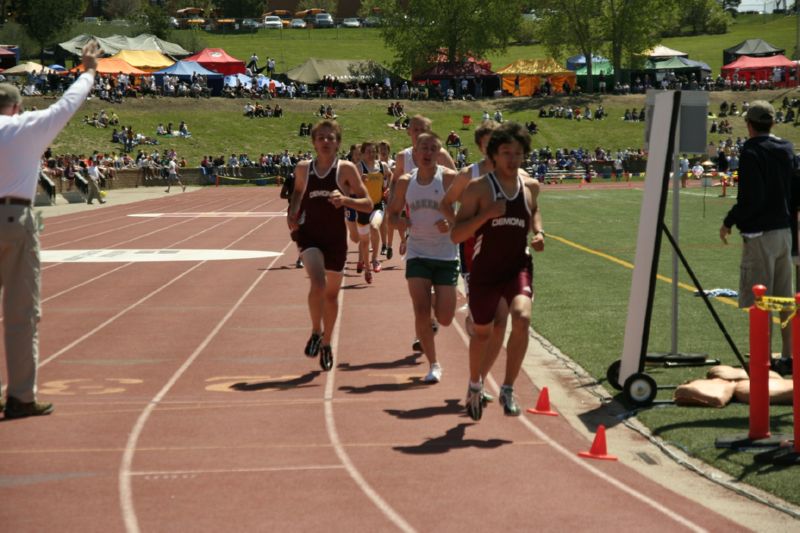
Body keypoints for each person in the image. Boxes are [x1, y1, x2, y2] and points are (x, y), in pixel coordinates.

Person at [0, 40, 101, 419]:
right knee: (22, 313)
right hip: (16, 218)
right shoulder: (28, 127)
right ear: (17, 107)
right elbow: (67, 104)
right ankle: (21, 396)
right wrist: (88, 69)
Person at [451, 122, 544, 420]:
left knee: (523, 317)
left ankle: (507, 387)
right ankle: (475, 384)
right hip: (485, 273)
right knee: (482, 334)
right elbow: (456, 234)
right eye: (506, 152)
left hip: (517, 267)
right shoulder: (478, 189)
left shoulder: (528, 187)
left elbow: (535, 209)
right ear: (493, 154)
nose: (512, 159)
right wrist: (486, 215)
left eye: (518, 153)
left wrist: (539, 233)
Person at [720, 100, 797, 376]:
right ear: (773, 122)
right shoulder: (787, 149)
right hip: (784, 232)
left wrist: (729, 221)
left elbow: (750, 198)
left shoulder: (751, 151)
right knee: (785, 299)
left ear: (749, 125)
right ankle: (788, 356)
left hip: (759, 234)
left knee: (760, 300)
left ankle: (763, 360)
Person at [287, 120, 372, 371]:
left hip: (335, 240)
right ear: (313, 142)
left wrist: (345, 200)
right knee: (318, 283)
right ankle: (316, 331)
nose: (325, 142)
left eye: (330, 138)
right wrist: (291, 214)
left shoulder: (346, 170)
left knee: (332, 296)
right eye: (321, 137)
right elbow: (297, 193)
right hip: (310, 236)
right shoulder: (303, 168)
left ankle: (326, 342)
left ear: (338, 143)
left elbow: (368, 203)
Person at [388, 132, 459, 383]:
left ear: (439, 153)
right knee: (420, 310)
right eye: (423, 149)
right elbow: (392, 214)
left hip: (446, 253)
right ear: (414, 154)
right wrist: (401, 223)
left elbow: (472, 210)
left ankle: (433, 312)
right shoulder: (406, 182)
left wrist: (450, 221)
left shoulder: (449, 178)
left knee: (446, 317)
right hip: (418, 252)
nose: (428, 153)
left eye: (433, 149)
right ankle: (434, 364)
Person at [356, 141, 391, 283]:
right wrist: (360, 181)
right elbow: (351, 187)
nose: (371, 154)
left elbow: (391, 175)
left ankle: (375, 260)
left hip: (377, 205)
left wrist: (388, 188)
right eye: (368, 151)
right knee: (364, 242)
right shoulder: (359, 167)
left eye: (373, 151)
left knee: (375, 226)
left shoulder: (382, 166)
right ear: (363, 153)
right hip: (363, 207)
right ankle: (365, 268)